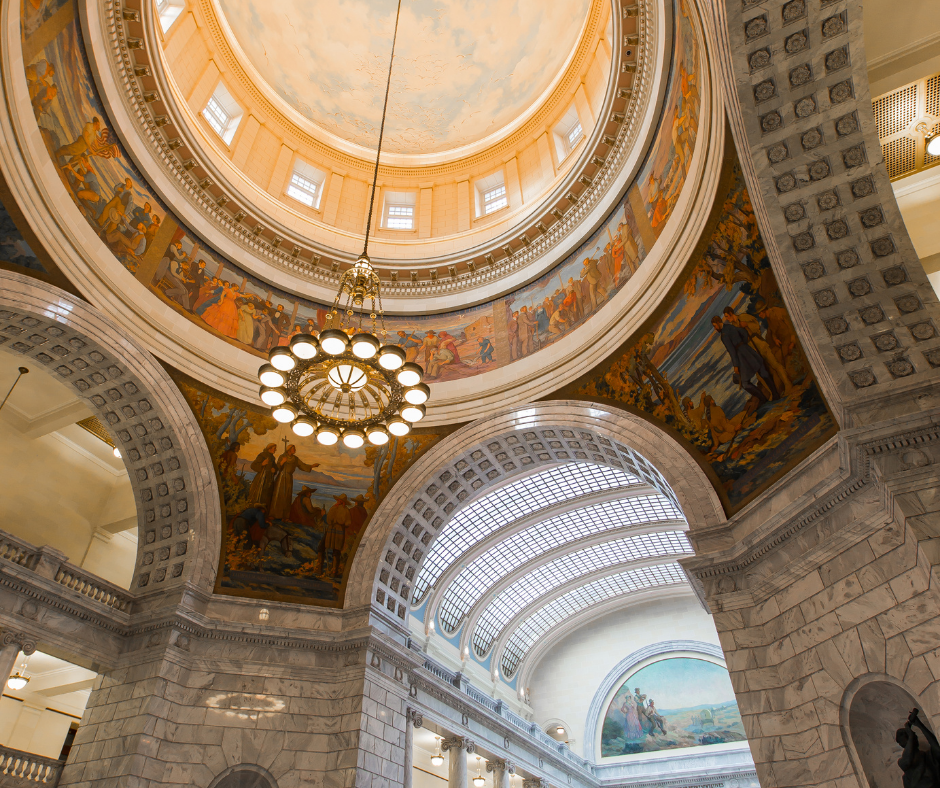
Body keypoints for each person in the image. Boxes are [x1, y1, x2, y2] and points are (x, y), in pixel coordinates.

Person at [711, 315, 779, 412]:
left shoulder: (724, 336)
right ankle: (775, 394)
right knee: (762, 371)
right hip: (747, 350)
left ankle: (763, 399)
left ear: (718, 323)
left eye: (715, 326)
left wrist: (736, 366)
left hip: (741, 357)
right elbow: (743, 332)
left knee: (745, 383)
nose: (715, 328)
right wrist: (743, 343)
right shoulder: (730, 326)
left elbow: (732, 351)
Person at [724, 307, 792, 395]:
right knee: (759, 375)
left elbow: (756, 326)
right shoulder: (733, 327)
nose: (726, 319)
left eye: (727, 316)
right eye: (725, 317)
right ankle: (773, 393)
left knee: (774, 364)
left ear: (731, 313)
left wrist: (747, 325)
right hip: (751, 350)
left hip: (759, 344)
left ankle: (787, 384)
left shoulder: (743, 317)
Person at [268, 445, 319, 521]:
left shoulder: (295, 459)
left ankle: (285, 517)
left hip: (288, 478)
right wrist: (282, 462)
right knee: (278, 495)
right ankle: (273, 515)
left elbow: (302, 465)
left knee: (287, 496)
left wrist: (312, 466)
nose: (295, 450)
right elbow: (277, 467)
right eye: (293, 448)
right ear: (289, 450)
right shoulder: (282, 456)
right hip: (281, 477)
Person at [897, 708, 940, 788]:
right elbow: (907, 761)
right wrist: (910, 735)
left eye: (911, 734)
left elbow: (937, 750)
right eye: (903, 735)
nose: (909, 735)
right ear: (901, 744)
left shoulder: (926, 756)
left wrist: (919, 725)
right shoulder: (902, 762)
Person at [151, 239, 190, 306]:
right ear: (177, 244)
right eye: (180, 246)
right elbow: (178, 257)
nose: (180, 248)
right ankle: (156, 280)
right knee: (161, 271)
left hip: (167, 260)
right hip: (165, 259)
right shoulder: (173, 247)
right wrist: (183, 255)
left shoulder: (175, 249)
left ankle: (158, 282)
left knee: (162, 271)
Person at [246, 443, 278, 508]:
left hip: (269, 478)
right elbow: (253, 465)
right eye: (274, 448)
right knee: (257, 494)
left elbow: (275, 467)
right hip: (261, 478)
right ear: (270, 448)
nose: (275, 450)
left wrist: (274, 470)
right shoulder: (262, 455)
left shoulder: (272, 457)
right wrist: (262, 464)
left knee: (266, 495)